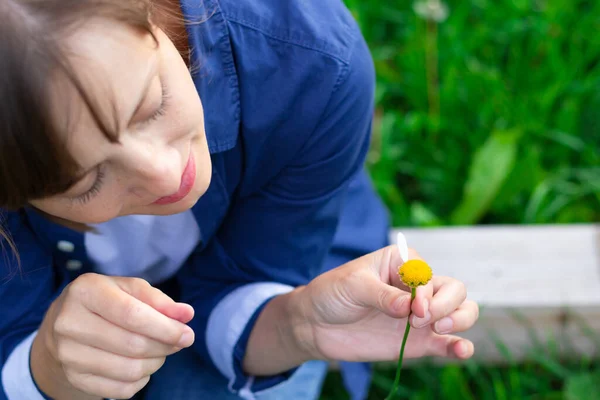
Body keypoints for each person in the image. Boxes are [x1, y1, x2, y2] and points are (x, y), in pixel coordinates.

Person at [0, 0, 479, 399]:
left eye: (152, 103)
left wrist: (297, 326)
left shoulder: (309, 64)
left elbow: (268, 270)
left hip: (283, 270)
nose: (167, 175)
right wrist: (48, 367)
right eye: (86, 182)